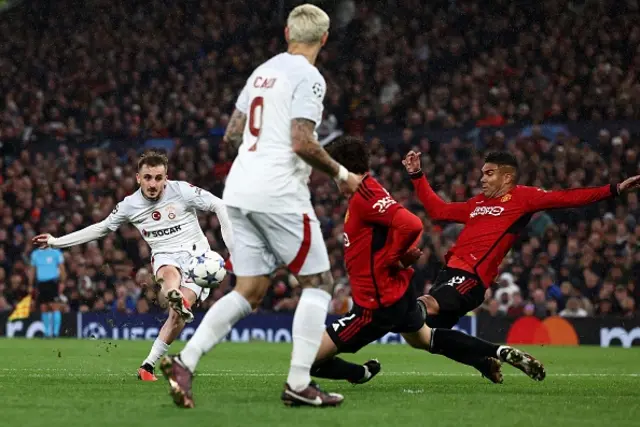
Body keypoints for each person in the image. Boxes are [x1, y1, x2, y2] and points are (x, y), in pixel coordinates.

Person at [160, 4, 360, 409]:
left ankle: (184, 361)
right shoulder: (310, 78)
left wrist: (257, 154)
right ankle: (299, 384)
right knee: (318, 284)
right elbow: (301, 142)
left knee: (249, 290)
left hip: (239, 189)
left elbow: (234, 133)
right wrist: (343, 175)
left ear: (287, 33)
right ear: (324, 39)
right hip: (278, 193)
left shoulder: (262, 71)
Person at [301, 137, 545, 386]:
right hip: (397, 293)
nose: (333, 181)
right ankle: (495, 353)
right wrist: (398, 256)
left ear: (341, 169)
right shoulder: (371, 188)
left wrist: (394, 257)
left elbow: (412, 224)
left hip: (375, 304)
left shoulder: (365, 196)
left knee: (304, 359)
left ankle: (354, 375)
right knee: (425, 339)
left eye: (333, 173)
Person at [32, 150, 233, 381]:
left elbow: (219, 205)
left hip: (198, 260)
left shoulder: (182, 191)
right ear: (138, 178)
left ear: (166, 178)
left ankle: (147, 365)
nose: (153, 183)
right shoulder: (129, 205)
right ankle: (175, 296)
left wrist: (233, 248)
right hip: (165, 255)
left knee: (176, 318)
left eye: (158, 178)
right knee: (169, 278)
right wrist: (57, 242)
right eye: (148, 177)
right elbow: (100, 228)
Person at [402, 150, 640, 330]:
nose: (482, 179)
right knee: (432, 329)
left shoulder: (523, 197)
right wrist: (416, 175)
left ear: (506, 177)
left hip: (472, 275)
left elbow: (567, 197)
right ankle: (489, 358)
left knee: (422, 311)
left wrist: (615, 189)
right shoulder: (476, 203)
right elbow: (438, 211)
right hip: (449, 270)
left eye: (489, 173)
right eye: (482, 173)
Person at [29, 246, 66, 338]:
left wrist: (62, 282)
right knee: (43, 307)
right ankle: (47, 333)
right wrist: (30, 284)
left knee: (54, 306)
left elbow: (62, 269)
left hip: (52, 283)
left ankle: (56, 333)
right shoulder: (35, 254)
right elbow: (32, 270)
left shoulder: (56, 252)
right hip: (41, 283)